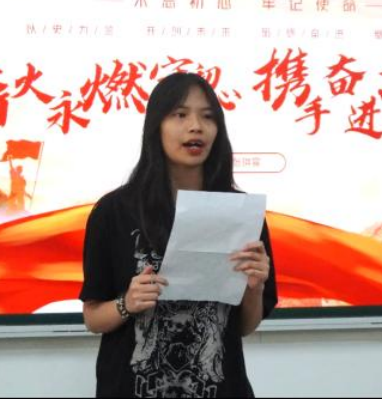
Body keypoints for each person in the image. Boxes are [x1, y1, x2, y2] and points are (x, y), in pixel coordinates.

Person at [80, 72, 278, 398]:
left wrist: (254, 288)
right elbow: (92, 317)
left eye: (208, 117)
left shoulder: (240, 212)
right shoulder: (114, 210)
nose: (196, 126)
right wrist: (127, 303)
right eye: (180, 115)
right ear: (156, 126)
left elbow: (242, 327)